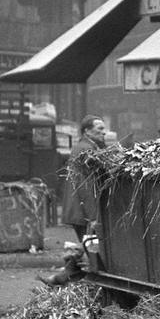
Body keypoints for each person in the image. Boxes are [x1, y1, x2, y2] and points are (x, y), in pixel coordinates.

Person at [41, 115, 106, 286]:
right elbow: (86, 186)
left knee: (87, 246)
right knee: (91, 247)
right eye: (99, 129)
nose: (104, 132)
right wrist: (93, 216)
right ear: (87, 131)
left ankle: (60, 279)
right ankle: (63, 279)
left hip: (79, 208)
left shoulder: (85, 146)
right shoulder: (86, 149)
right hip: (83, 210)